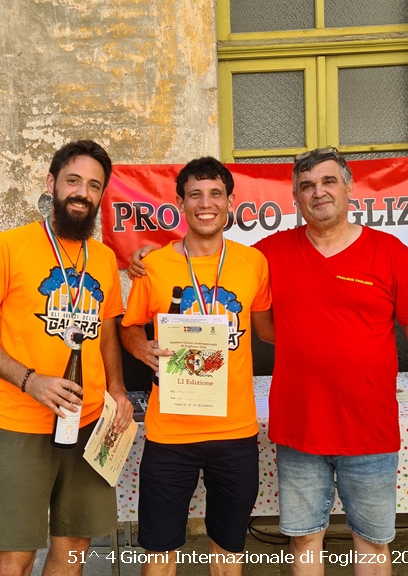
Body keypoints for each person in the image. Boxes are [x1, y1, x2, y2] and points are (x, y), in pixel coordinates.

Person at [130, 148, 408, 576]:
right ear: (295, 197)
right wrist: (149, 257)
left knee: (372, 542)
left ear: (349, 187)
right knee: (304, 540)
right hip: (300, 429)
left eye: (328, 182)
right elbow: (214, 262)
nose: (318, 192)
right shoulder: (268, 255)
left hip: (370, 427)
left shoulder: (388, 251)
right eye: (306, 186)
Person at [0, 140, 133, 576]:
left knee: (74, 548)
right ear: (52, 183)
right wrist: (30, 380)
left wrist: (117, 390)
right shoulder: (10, 246)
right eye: (73, 181)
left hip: (89, 424)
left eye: (94, 185)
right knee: (14, 556)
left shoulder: (104, 258)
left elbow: (107, 333)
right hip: (23, 424)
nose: (82, 193)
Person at [120, 157, 273, 576]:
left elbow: (267, 329)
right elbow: (129, 327)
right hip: (170, 433)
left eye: (215, 194)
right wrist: (140, 348)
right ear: (180, 204)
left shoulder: (253, 263)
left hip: (235, 431)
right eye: (195, 195)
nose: (206, 204)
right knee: (159, 550)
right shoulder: (153, 265)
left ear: (231, 202)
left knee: (228, 550)